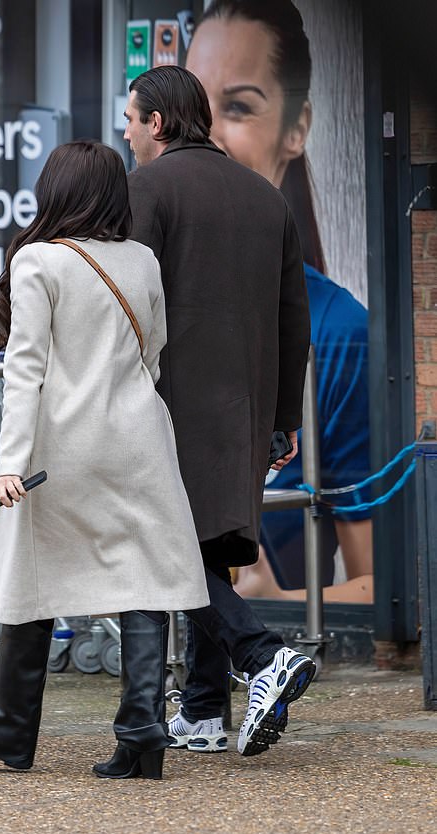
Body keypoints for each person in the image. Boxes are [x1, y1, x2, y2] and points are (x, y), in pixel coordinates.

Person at [0, 141, 211, 780]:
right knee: (144, 580)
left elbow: (26, 370)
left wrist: (9, 462)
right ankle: (142, 735)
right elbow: (153, 352)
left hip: (62, 448)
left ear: (56, 192)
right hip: (138, 440)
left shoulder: (38, 260)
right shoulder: (142, 260)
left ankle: (9, 737)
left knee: (31, 578)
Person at [123, 65, 316, 757]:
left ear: (159, 123)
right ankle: (203, 711)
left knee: (167, 545)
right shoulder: (267, 199)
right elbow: (296, 319)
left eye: (132, 117)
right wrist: (283, 417)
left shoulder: (146, 189)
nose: (125, 130)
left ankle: (261, 653)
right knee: (206, 544)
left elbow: (129, 301)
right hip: (249, 404)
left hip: (169, 402)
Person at [185, 0, 373, 605]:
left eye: (236, 107)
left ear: (295, 129)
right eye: (190, 107)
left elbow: (386, 592)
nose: (204, 133)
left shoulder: (339, 334)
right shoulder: (131, 299)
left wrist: (269, 604)